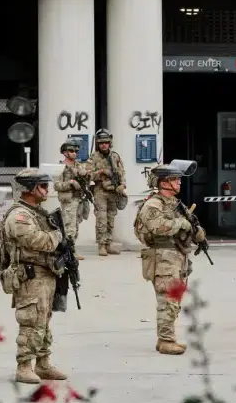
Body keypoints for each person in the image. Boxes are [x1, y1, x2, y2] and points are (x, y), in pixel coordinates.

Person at [0, 168, 69, 385]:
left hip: (45, 273)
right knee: (30, 321)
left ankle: (43, 363)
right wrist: (58, 236)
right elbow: (38, 241)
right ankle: (24, 366)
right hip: (30, 275)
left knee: (44, 320)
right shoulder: (19, 215)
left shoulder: (37, 212)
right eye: (42, 186)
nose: (47, 190)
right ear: (29, 188)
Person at [133, 160, 203, 356]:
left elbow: (188, 225)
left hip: (177, 256)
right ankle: (165, 340)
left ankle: (167, 337)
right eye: (175, 180)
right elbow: (158, 227)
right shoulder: (153, 204)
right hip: (163, 257)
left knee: (175, 299)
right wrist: (182, 224)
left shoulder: (175, 204)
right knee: (167, 299)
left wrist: (197, 232)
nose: (179, 183)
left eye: (179, 179)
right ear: (164, 183)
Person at [82, 130, 127, 255]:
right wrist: (100, 172)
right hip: (100, 191)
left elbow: (121, 172)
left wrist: (122, 185)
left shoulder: (115, 156)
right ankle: (101, 245)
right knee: (101, 218)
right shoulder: (94, 158)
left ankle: (108, 243)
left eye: (106, 143)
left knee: (111, 217)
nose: (104, 145)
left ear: (110, 143)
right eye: (101, 143)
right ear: (98, 144)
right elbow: (88, 175)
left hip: (114, 191)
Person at [54, 140, 92, 247]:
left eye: (76, 151)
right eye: (71, 151)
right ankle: (69, 253)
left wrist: (87, 175)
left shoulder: (79, 166)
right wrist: (71, 183)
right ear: (65, 153)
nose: (74, 153)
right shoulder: (60, 167)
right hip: (68, 200)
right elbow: (57, 185)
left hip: (79, 199)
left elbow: (86, 182)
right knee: (69, 227)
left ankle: (72, 250)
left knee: (75, 226)